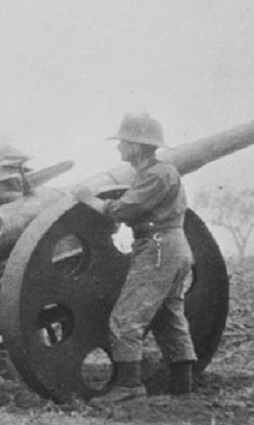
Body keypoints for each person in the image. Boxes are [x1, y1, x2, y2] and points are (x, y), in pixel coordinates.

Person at [71, 112, 196, 404]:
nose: (119, 148)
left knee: (126, 317)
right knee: (169, 316)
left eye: (123, 142)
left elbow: (123, 211)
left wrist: (89, 199)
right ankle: (183, 387)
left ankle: (129, 385)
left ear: (137, 147)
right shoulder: (158, 174)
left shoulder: (156, 174)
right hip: (169, 246)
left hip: (158, 248)